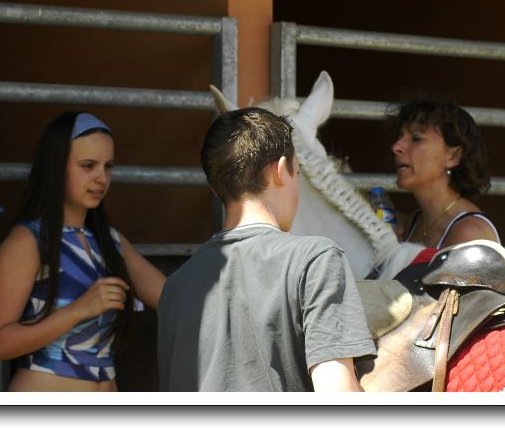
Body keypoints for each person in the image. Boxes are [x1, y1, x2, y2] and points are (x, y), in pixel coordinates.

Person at [157, 107, 376, 392]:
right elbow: (337, 394)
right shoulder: (316, 260)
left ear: (214, 188)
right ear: (281, 170)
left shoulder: (174, 288)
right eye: (298, 172)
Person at [0, 112, 166, 391]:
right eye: (88, 166)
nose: (101, 178)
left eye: (108, 166)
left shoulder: (111, 241)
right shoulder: (28, 242)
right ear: (56, 167)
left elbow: (172, 298)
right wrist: (79, 310)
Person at [390, 99, 500, 249]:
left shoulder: (470, 233)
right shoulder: (413, 223)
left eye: (416, 138)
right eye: (399, 137)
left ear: (453, 156)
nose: (396, 147)